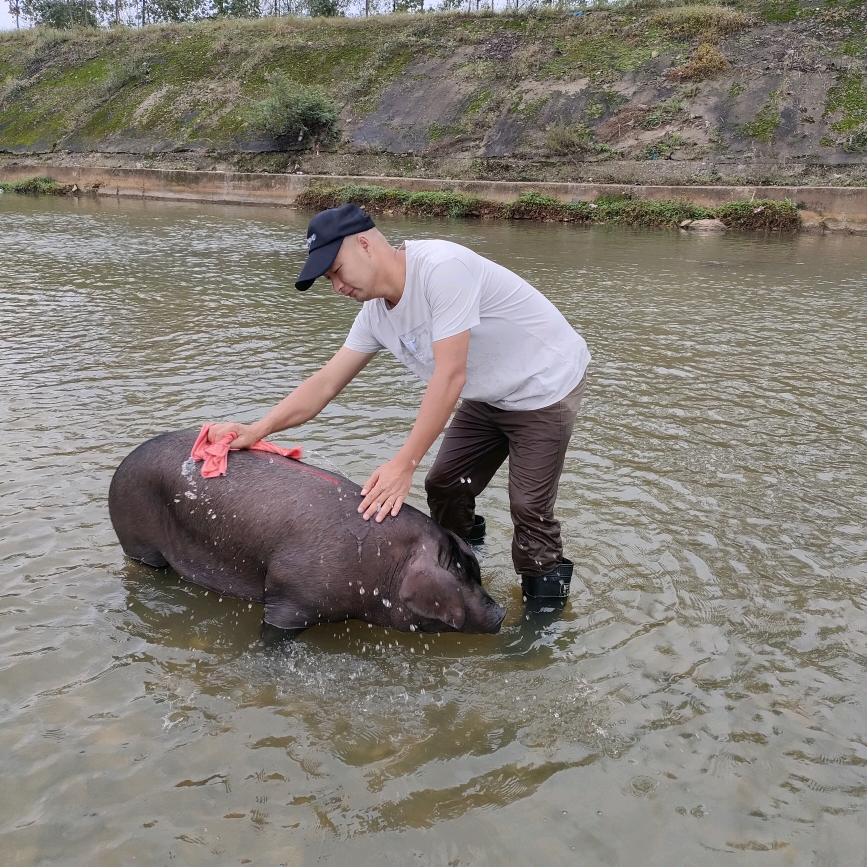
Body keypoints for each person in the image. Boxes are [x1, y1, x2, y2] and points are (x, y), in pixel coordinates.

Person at [207, 203, 591, 603]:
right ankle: (464, 565)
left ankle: (543, 612)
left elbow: (450, 376)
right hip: (487, 391)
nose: (337, 286)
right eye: (327, 279)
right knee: (443, 485)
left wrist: (402, 464)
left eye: (336, 270)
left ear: (364, 244)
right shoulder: (375, 316)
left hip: (543, 387)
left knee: (528, 507)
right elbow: (324, 384)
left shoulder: (442, 269)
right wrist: (257, 429)